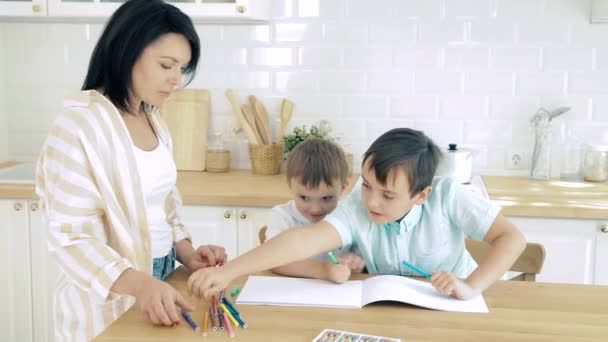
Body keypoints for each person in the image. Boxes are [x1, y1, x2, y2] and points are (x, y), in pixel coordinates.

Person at [35, 0, 227, 340]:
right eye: (166, 65)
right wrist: (140, 286)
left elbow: (165, 206)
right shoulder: (79, 125)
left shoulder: (153, 120)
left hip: (163, 279)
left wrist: (187, 254)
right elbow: (71, 238)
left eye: (181, 68)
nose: (176, 79)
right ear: (126, 51)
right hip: (113, 296)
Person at [187, 128, 527, 301]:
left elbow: (511, 238)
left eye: (388, 194)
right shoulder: (356, 206)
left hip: (455, 306)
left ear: (421, 194)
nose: (372, 202)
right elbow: (301, 239)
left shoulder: (448, 195)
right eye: (366, 185)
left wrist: (469, 287)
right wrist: (230, 271)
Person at [266, 138, 365, 283]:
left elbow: (362, 259)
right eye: (305, 197)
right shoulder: (282, 216)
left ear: (343, 188)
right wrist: (323, 270)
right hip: (293, 292)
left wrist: (357, 262)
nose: (315, 209)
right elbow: (273, 260)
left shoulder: (348, 216)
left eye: (326, 198)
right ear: (290, 186)